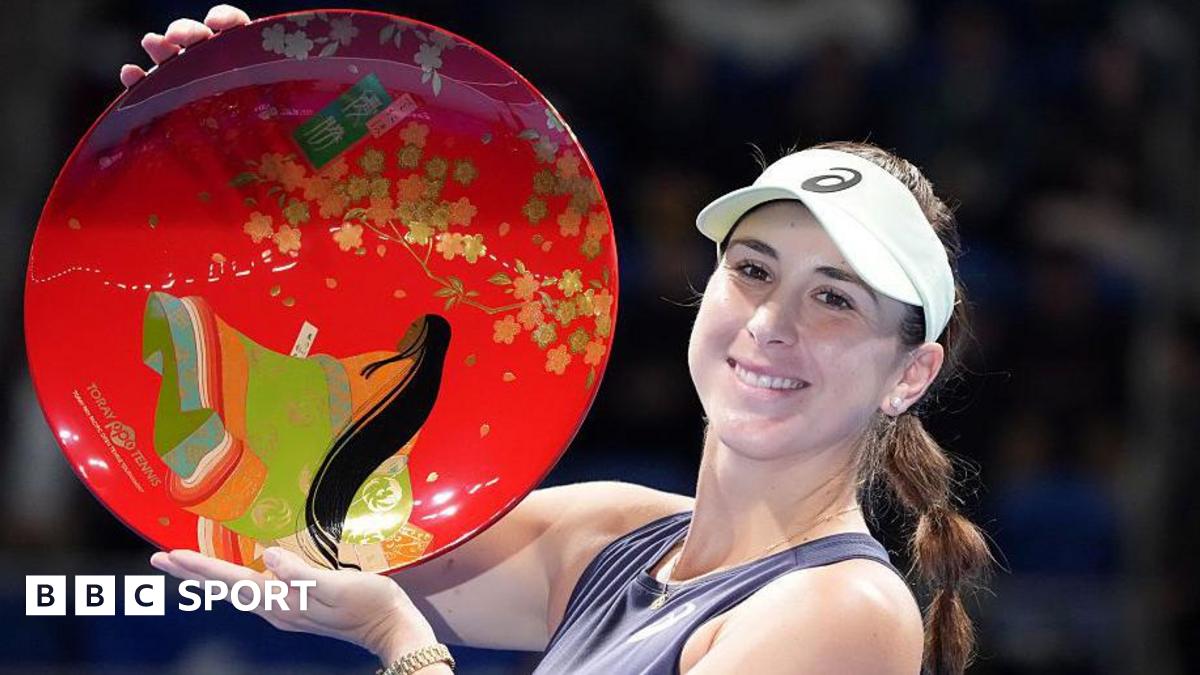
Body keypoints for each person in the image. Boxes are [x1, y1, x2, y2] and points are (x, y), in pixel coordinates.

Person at [133, 6, 993, 674]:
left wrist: (401, 640)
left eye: (834, 298)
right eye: (755, 270)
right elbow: (303, 526)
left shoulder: (848, 611)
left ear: (909, 374)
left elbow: (377, 603)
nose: (771, 322)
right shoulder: (614, 533)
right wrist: (244, 140)